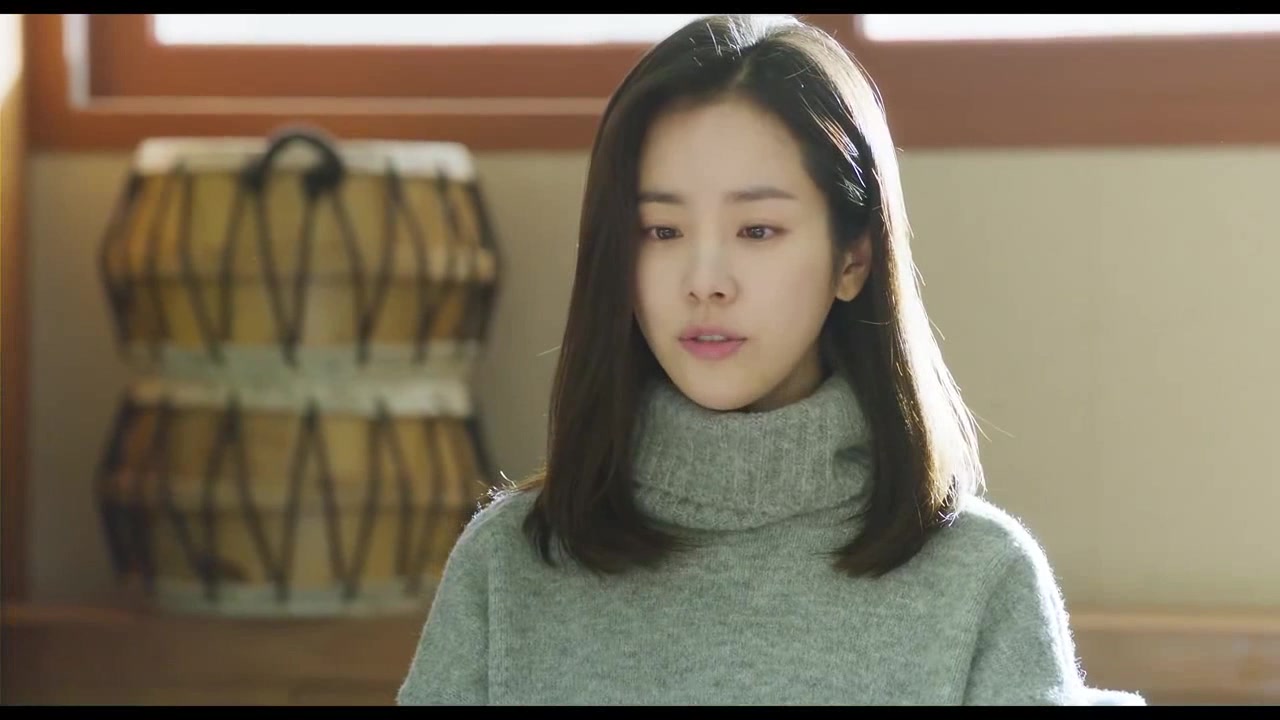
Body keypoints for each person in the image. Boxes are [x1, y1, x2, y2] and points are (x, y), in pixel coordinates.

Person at [397, 14, 1146, 706]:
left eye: (757, 230)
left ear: (853, 258)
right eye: (661, 231)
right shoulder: (509, 563)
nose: (705, 281)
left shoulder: (981, 577)